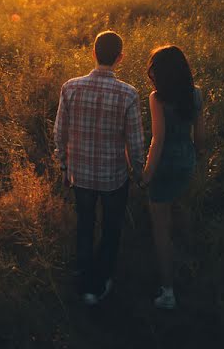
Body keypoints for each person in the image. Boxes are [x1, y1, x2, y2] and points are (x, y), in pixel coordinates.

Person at [54, 30, 146, 306]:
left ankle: (84, 283)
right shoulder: (129, 94)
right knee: (111, 228)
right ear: (120, 57)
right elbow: (136, 142)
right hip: (114, 178)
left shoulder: (70, 87)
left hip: (79, 175)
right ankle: (101, 280)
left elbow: (60, 132)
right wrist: (139, 173)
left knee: (84, 225)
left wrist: (63, 166)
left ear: (93, 53)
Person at [139, 45, 205, 309]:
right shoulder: (196, 94)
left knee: (161, 229)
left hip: (164, 167)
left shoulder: (157, 98)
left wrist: (146, 175)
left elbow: (158, 139)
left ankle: (168, 292)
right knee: (182, 215)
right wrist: (199, 162)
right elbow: (200, 137)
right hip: (186, 163)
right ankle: (191, 272)